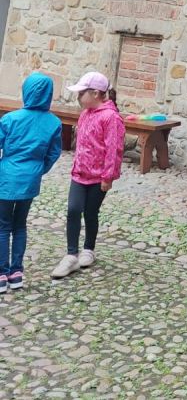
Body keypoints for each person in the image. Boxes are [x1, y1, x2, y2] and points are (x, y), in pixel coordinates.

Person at [51, 71, 125, 279]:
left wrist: (108, 176)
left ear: (95, 94)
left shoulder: (111, 117)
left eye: (81, 93)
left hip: (98, 177)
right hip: (79, 174)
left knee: (91, 212)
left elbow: (113, 149)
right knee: (73, 210)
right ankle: (71, 254)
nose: (78, 97)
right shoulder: (85, 114)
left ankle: (89, 249)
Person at [0, 73, 62, 292]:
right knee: (20, 225)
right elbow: (53, 153)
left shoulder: (10, 119)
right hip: (30, 180)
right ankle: (16, 272)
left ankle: (1, 274)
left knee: (2, 226)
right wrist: (38, 170)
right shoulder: (54, 123)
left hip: (6, 178)